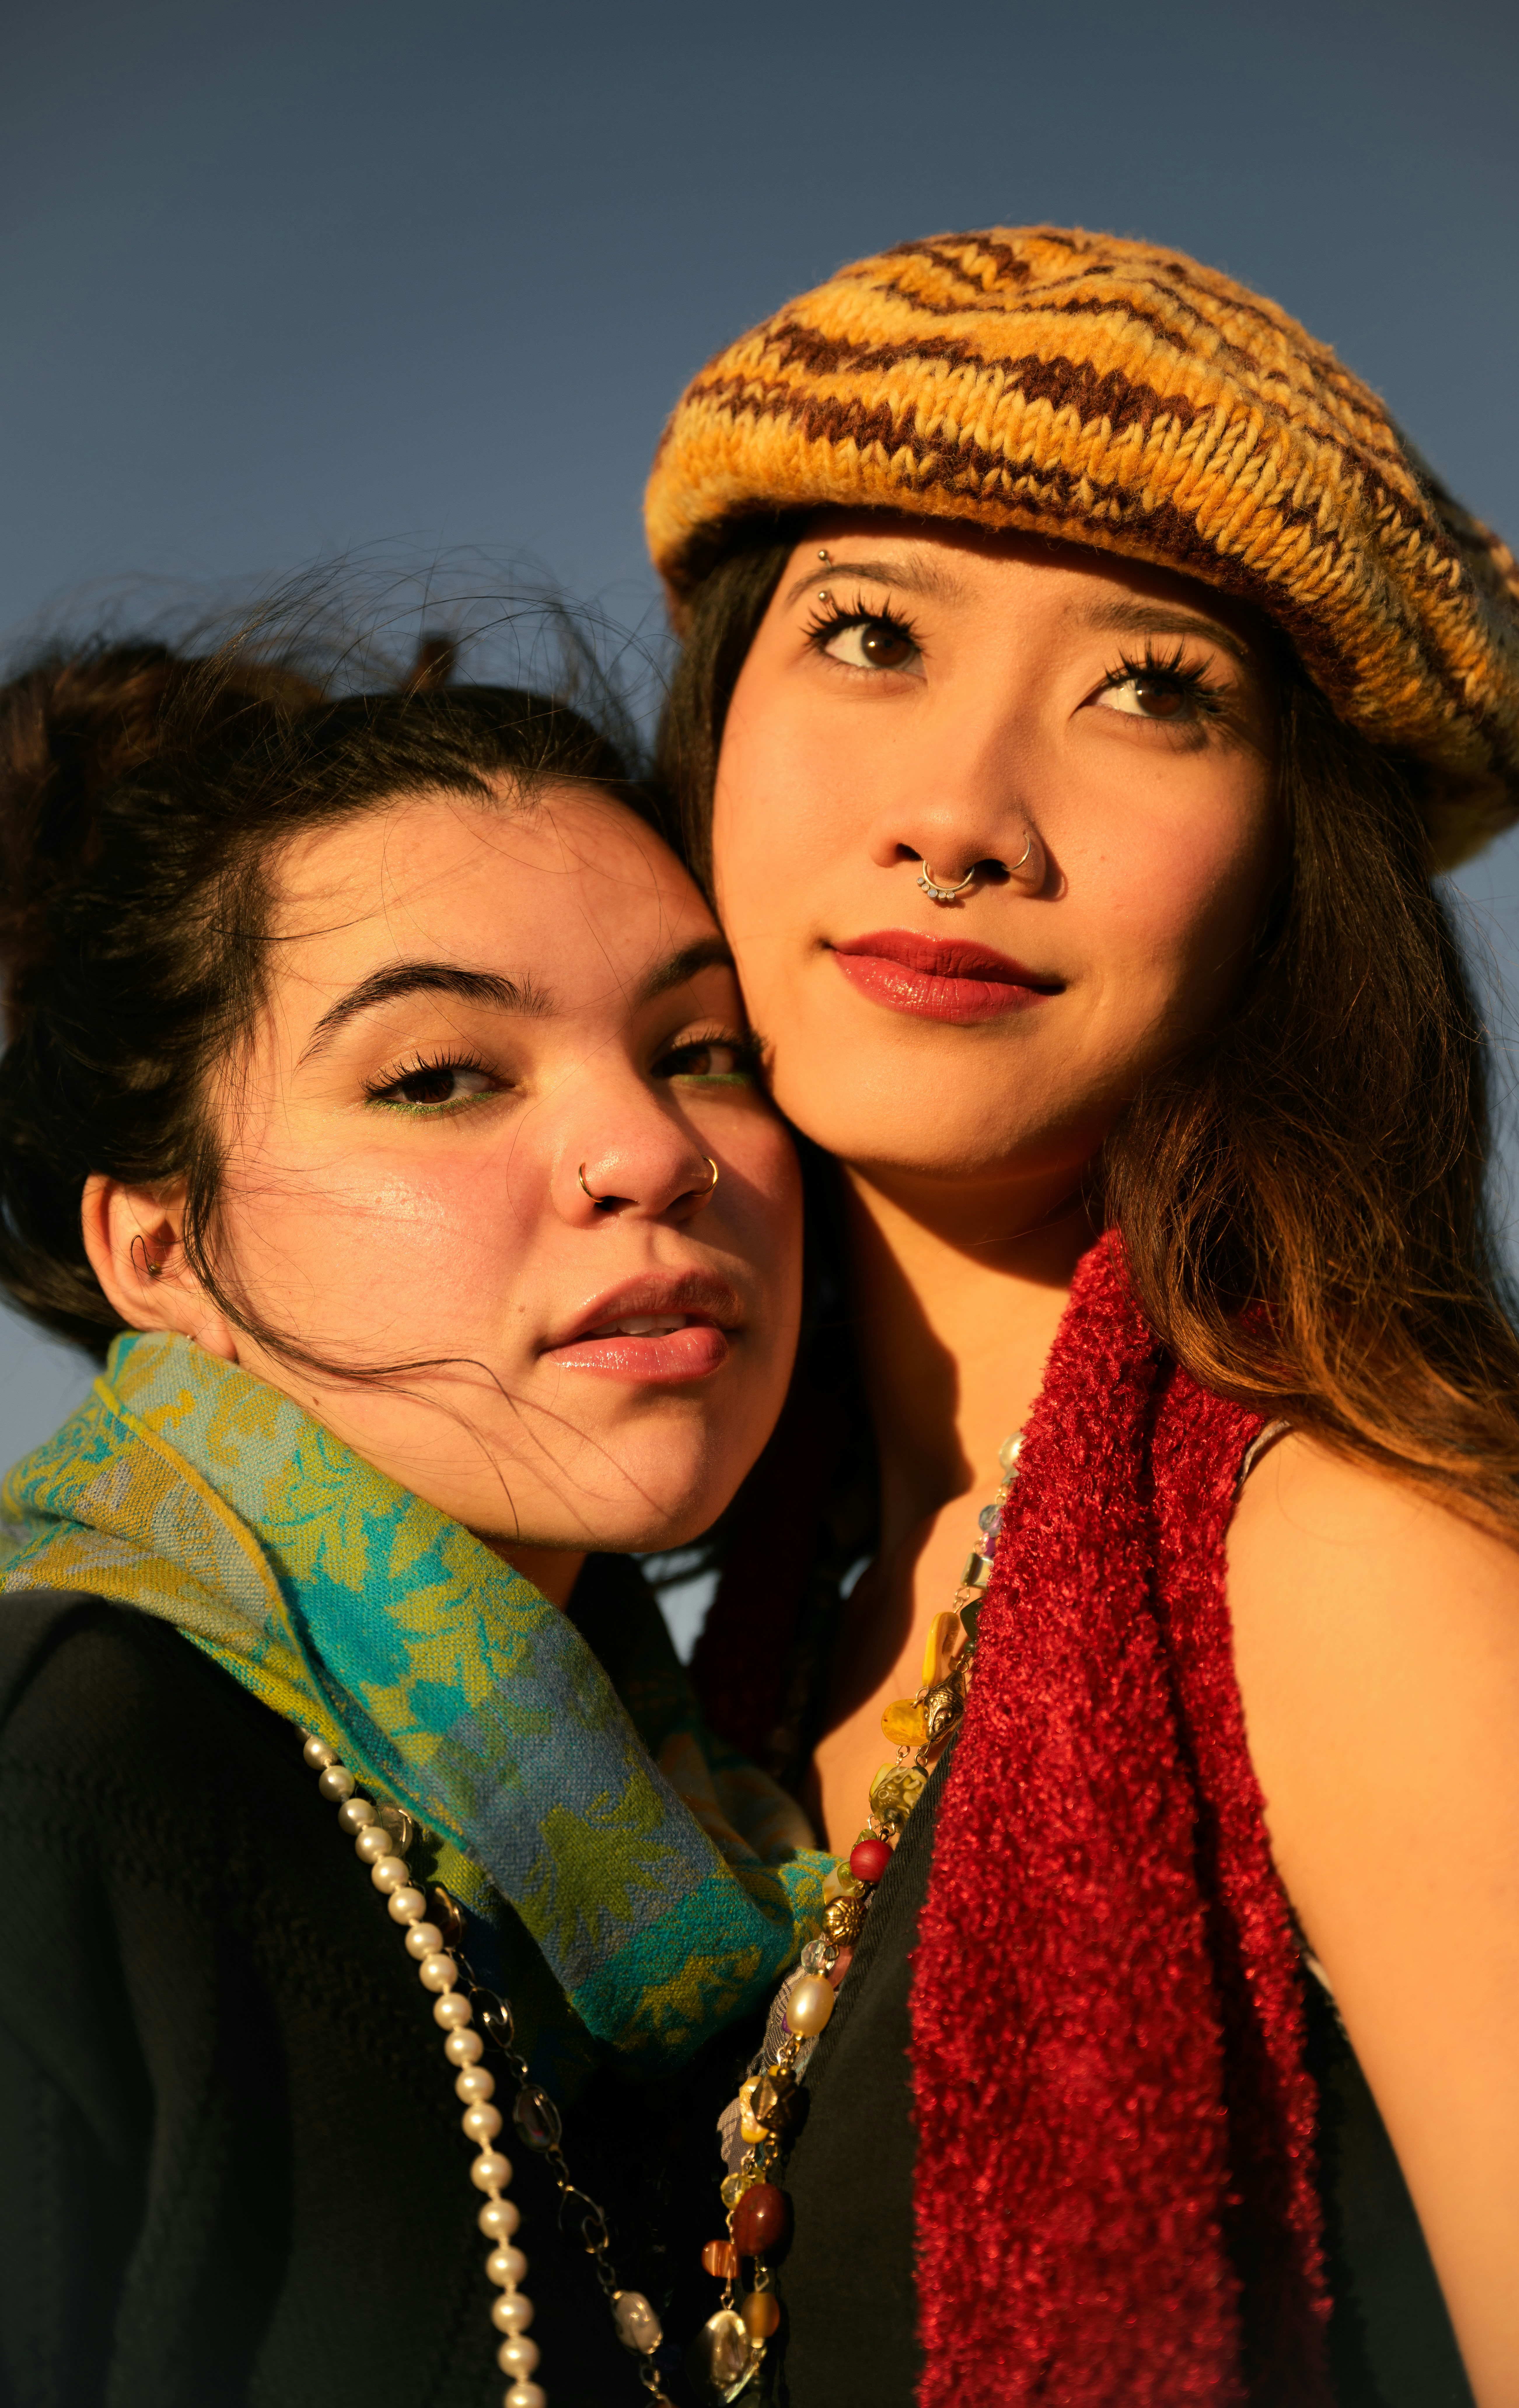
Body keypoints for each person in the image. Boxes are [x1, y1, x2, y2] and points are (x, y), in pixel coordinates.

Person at [645, 228, 1519, 2408]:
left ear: (1293, 870)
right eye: (870, 636)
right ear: (715, 724)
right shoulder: (770, 1623)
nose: (963, 819)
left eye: (1154, 695)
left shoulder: (1355, 1563)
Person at [0, 624, 832, 2407]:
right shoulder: (65, 1779)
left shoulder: (711, 1836)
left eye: (705, 1048)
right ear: (159, 1249)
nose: (654, 1151)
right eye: (442, 1075)